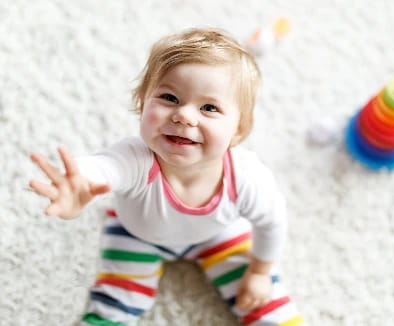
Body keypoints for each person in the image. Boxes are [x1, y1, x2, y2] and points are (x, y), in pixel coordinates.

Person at [28, 28, 304, 326]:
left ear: (237, 131)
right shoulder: (137, 158)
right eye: (169, 97)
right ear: (143, 103)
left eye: (209, 107)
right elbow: (106, 166)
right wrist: (79, 181)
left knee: (266, 302)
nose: (184, 115)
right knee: (115, 303)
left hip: (217, 234)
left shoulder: (247, 177)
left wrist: (260, 271)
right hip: (136, 234)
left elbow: (272, 221)